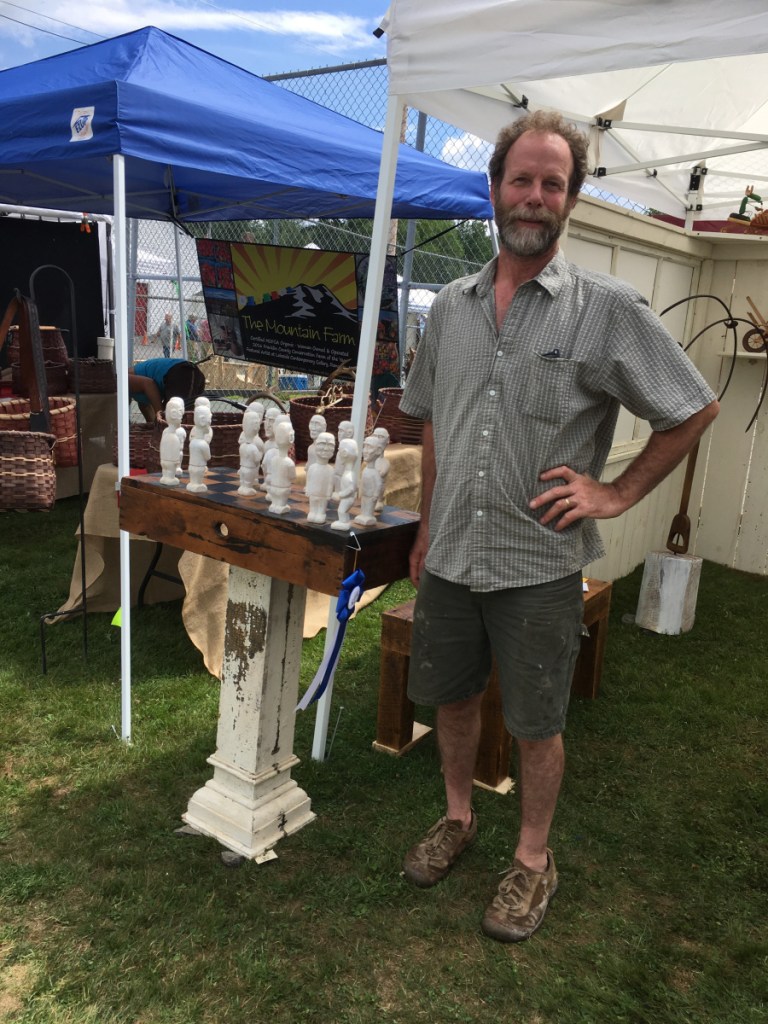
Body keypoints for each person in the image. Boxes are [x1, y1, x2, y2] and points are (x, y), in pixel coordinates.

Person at [398, 110, 719, 944]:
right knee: (456, 699)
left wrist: (615, 493)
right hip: (453, 554)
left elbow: (692, 408)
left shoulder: (607, 310)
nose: (535, 196)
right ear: (494, 188)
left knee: (538, 722)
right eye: (521, 179)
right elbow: (433, 422)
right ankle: (460, 818)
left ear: (571, 198)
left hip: (538, 563)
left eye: (553, 183)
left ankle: (534, 863)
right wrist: (427, 529)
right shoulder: (451, 311)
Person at [128, 358, 205, 423]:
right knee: (175, 419)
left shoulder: (122, 379)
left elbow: (149, 385)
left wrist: (161, 416)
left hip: (183, 372)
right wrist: (154, 426)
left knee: (180, 418)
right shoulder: (137, 395)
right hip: (177, 377)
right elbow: (146, 407)